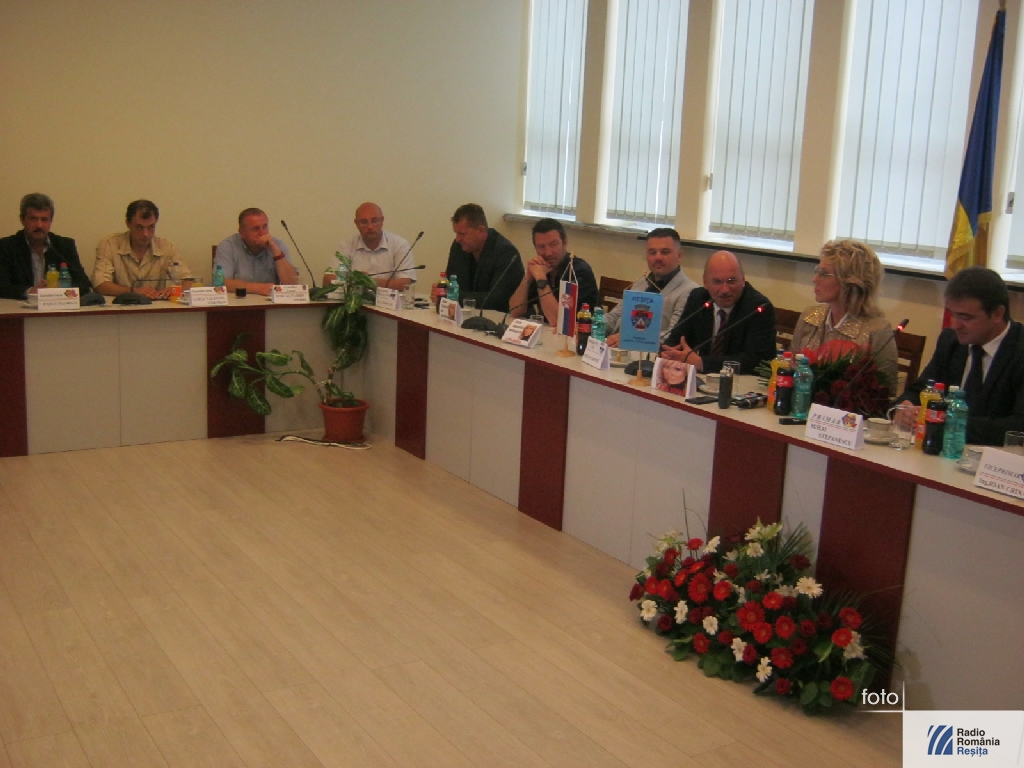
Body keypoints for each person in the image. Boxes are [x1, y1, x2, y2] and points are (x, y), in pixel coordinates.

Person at [896, 267, 1024, 446]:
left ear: (997, 314)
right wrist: (904, 409)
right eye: (951, 314)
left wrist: (946, 423)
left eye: (965, 317)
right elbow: (920, 390)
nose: (954, 325)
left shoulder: (1019, 350)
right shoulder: (950, 341)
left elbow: (1018, 426)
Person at [790, 239, 898, 391]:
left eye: (824, 274)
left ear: (850, 282)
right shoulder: (809, 317)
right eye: (817, 271)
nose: (815, 279)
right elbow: (790, 371)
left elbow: (886, 392)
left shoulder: (877, 330)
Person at [661, 250, 775, 374]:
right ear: (705, 282)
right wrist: (669, 353)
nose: (725, 290)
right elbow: (677, 338)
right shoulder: (698, 298)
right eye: (717, 282)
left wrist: (701, 362)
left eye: (731, 281)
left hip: (742, 381)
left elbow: (757, 361)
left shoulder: (758, 308)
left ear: (743, 280)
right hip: (703, 379)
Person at [604, 227, 698, 347]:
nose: (658, 258)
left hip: (651, 355)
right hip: (616, 349)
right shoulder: (641, 283)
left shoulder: (690, 292)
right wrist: (589, 324)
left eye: (665, 252)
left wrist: (630, 339)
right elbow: (614, 317)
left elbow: (672, 336)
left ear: (679, 256)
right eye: (652, 252)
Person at [93, 200, 193, 299]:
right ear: (128, 223)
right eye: (139, 227)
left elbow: (189, 280)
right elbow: (100, 284)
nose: (146, 234)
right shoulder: (109, 244)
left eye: (151, 227)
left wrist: (177, 289)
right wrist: (133, 291)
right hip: (120, 306)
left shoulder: (166, 247)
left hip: (156, 306)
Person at [0, 193, 92, 300]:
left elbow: (84, 284)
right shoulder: (6, 246)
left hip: (56, 305)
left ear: (50, 221)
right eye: (33, 219)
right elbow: (2, 286)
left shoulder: (64, 246)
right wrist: (30, 291)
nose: (39, 225)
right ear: (22, 220)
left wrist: (57, 290)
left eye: (44, 220)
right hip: (18, 307)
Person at [508, 218, 598, 324]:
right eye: (541, 247)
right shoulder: (542, 268)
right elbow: (515, 311)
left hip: (579, 333)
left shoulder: (579, 272)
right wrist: (528, 275)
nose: (548, 253)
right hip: (547, 332)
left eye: (553, 244)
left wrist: (541, 279)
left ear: (564, 243)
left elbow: (559, 322)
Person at [444, 203, 524, 310]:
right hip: (467, 314)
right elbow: (451, 284)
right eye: (456, 233)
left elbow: (495, 300)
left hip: (501, 316)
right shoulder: (458, 247)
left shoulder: (506, 253)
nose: (458, 239)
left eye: (462, 234)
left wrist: (452, 296)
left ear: (481, 231)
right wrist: (442, 293)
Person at [215, 208, 300, 296]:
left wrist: (276, 251)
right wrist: (258, 288)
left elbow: (293, 285)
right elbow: (221, 283)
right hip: (239, 302)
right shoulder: (228, 247)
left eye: (265, 227)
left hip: (270, 303)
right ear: (242, 232)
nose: (262, 233)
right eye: (256, 229)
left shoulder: (278, 245)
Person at [338, 202, 415, 289]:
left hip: (389, 298)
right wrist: (355, 279)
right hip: (355, 297)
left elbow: (404, 284)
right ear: (356, 223)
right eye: (364, 222)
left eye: (374, 221)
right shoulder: (346, 246)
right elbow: (331, 278)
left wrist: (367, 281)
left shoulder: (399, 245)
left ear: (382, 221)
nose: (370, 227)